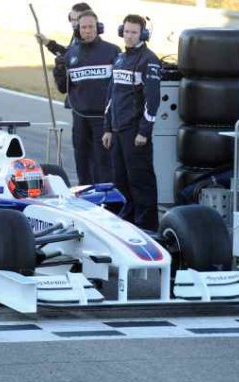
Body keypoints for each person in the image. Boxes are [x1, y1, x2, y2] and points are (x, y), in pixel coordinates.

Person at [102, 14, 161, 231]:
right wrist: (107, 128)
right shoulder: (119, 59)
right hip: (117, 131)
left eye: (134, 32)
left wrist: (144, 131)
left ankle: (147, 228)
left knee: (140, 182)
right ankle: (126, 226)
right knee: (120, 181)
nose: (128, 36)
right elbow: (112, 95)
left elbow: (152, 101)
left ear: (143, 34)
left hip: (135, 132)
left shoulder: (149, 60)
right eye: (126, 31)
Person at [53, 10, 120, 185]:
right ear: (78, 30)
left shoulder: (112, 51)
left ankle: (107, 203)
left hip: (104, 119)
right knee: (82, 160)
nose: (87, 31)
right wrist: (59, 72)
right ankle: (84, 197)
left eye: (91, 27)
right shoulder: (70, 54)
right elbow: (63, 89)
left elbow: (119, 88)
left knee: (103, 163)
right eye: (83, 27)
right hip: (80, 117)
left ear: (98, 28)